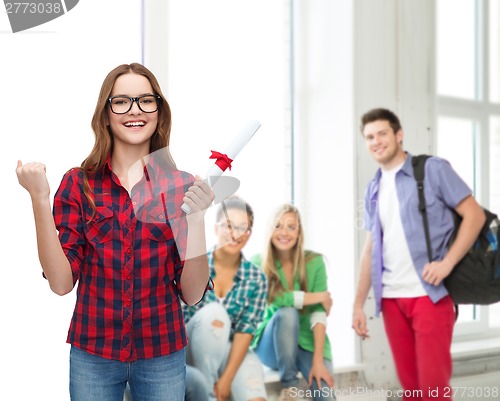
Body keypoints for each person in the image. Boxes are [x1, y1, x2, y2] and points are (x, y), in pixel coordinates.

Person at [15, 63, 214, 401]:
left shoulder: (182, 186)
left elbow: (192, 294)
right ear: (105, 115)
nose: (135, 110)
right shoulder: (78, 184)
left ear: (159, 113)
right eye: (121, 101)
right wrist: (38, 197)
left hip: (162, 353)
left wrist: (197, 220)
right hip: (93, 354)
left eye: (146, 101)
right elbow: (61, 283)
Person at [352, 108, 485, 401]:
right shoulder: (373, 187)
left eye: (382, 133)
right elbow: (370, 248)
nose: (376, 141)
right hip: (391, 299)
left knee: (433, 391)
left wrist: (447, 263)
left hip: (430, 295)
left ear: (398, 135)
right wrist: (359, 304)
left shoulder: (432, 170)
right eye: (369, 137)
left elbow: (474, 216)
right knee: (412, 391)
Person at [182, 196, 268, 401]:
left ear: (249, 234)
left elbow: (245, 331)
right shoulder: (195, 263)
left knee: (255, 395)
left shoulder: (256, 279)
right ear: (216, 228)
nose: (234, 234)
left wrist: (227, 378)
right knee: (215, 314)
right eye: (229, 225)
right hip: (188, 347)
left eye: (242, 228)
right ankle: (209, 395)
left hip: (230, 350)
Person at [252, 204, 336, 401]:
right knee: (287, 313)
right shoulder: (258, 262)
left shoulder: (314, 262)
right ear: (270, 231)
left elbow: (318, 312)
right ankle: (290, 387)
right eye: (278, 226)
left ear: (299, 233)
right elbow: (275, 297)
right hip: (271, 344)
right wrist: (319, 296)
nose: (284, 232)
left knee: (325, 395)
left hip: (307, 343)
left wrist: (317, 361)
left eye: (291, 227)